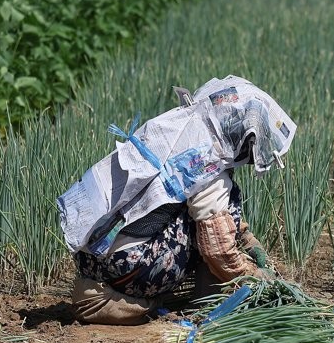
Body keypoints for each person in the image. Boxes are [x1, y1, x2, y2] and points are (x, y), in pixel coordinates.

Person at [58, 76, 296, 325]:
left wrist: (247, 239)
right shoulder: (209, 163)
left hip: (91, 260)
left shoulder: (175, 129)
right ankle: (208, 303)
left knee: (210, 214)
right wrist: (255, 278)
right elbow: (218, 250)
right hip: (129, 269)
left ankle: (110, 295)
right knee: (224, 210)